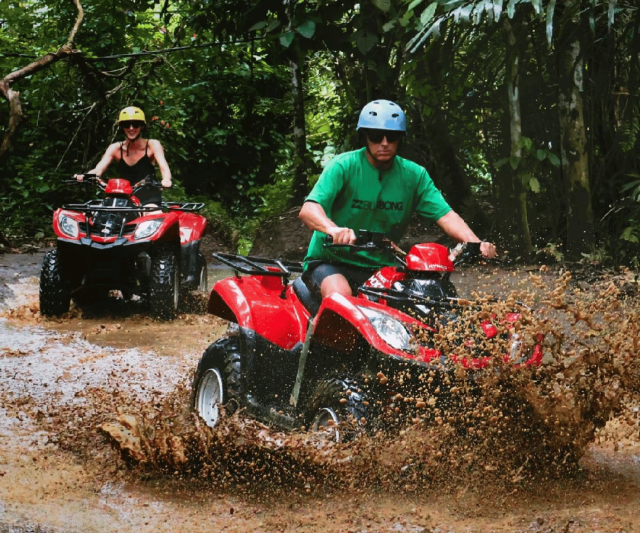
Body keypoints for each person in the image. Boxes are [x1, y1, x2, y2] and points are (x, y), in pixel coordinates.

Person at [298, 99, 496, 300]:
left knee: (421, 302)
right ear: (364, 137)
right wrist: (333, 230)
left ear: (401, 139)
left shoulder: (414, 175)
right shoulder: (343, 166)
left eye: (392, 137)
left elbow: (446, 215)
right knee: (341, 296)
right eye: (376, 136)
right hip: (330, 261)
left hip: (383, 266)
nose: (384, 143)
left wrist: (476, 243)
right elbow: (309, 209)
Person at [76, 106, 172, 206]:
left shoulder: (152, 145)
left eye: (135, 124)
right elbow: (98, 170)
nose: (131, 128)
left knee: (152, 212)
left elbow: (164, 167)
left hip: (148, 197)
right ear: (122, 127)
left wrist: (166, 180)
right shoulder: (116, 148)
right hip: (123, 197)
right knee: (99, 212)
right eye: (126, 125)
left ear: (142, 126)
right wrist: (85, 176)